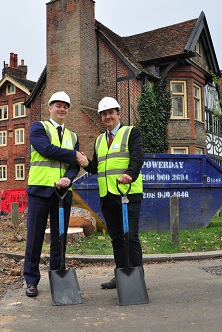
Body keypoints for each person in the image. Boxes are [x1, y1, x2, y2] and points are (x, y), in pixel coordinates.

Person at [77, 96, 145, 289]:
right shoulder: (99, 140)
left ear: (118, 114)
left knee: (130, 236)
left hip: (128, 193)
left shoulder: (131, 132)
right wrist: (85, 163)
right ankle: (122, 274)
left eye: (111, 113)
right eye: (104, 114)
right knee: (116, 237)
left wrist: (129, 175)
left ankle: (136, 277)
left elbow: (138, 158)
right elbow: (98, 168)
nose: (108, 117)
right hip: (107, 196)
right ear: (101, 117)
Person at [23, 91, 84, 297]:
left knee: (59, 239)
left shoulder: (72, 136)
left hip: (63, 193)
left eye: (65, 106)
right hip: (40, 191)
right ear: (50, 108)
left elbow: (75, 167)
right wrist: (74, 155)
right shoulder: (39, 128)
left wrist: (68, 177)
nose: (61, 109)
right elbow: (46, 150)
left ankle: (57, 277)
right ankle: (31, 280)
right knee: (34, 239)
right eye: (58, 105)